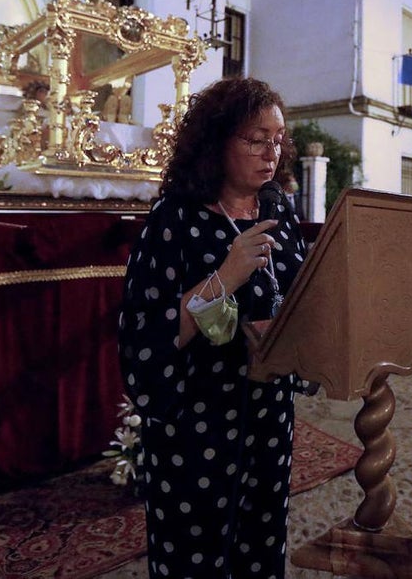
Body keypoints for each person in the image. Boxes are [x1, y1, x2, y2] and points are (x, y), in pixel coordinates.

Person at [118, 77, 307, 578]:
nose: (271, 152)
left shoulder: (280, 212)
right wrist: (225, 277)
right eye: (255, 138)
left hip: (270, 416)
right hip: (197, 422)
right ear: (217, 140)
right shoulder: (173, 219)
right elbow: (146, 331)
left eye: (278, 138)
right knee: (194, 555)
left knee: (261, 546)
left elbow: (304, 297)